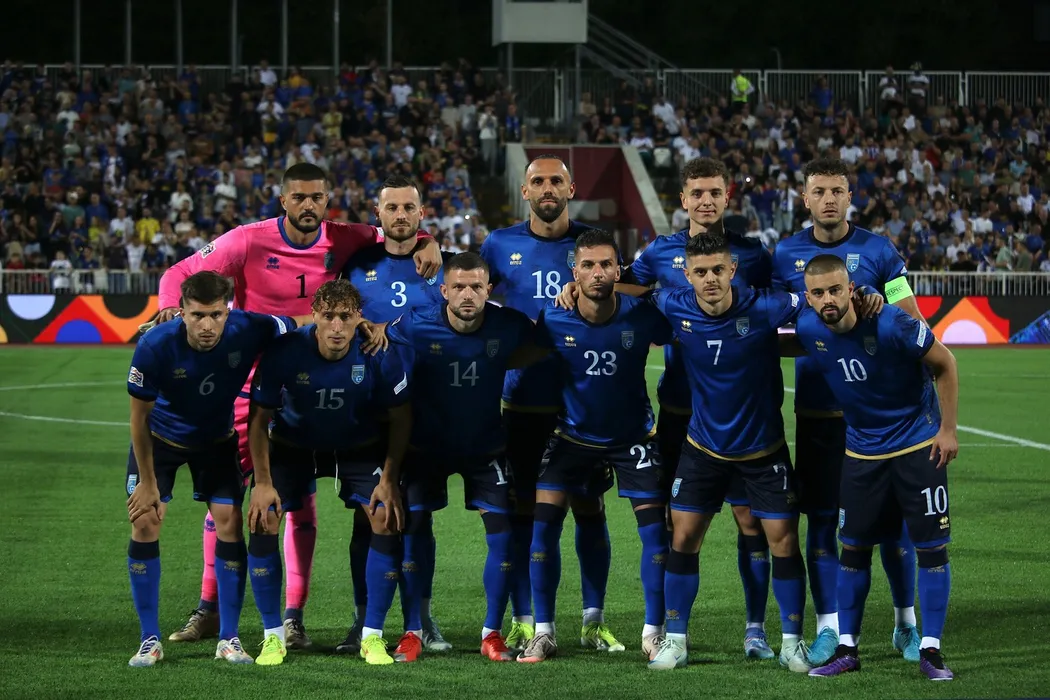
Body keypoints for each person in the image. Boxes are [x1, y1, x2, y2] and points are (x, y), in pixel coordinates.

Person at [156, 163, 441, 649]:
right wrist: (168, 305)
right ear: (283, 200)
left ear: (327, 199)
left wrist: (429, 240)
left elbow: (398, 228)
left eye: (317, 197)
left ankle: (293, 618)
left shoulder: (346, 236)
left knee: (300, 504)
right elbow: (180, 271)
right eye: (299, 197)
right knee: (229, 499)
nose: (309, 205)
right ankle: (208, 607)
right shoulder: (247, 239)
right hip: (253, 385)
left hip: (320, 383)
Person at [557, 156, 778, 658]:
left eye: (714, 192)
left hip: (744, 413)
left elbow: (789, 299)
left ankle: (755, 629)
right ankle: (670, 630)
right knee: (678, 524)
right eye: (697, 193)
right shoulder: (659, 253)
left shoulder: (752, 254)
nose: (706, 201)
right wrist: (577, 287)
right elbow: (619, 286)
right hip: (681, 409)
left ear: (727, 196)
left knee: (749, 520)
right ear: (683, 200)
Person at [772, 156, 927, 665]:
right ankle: (829, 628)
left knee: (893, 527)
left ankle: (905, 625)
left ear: (849, 196)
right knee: (821, 522)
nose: (829, 200)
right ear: (805, 199)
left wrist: (881, 305)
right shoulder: (785, 255)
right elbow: (782, 328)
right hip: (819, 412)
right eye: (819, 191)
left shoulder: (880, 251)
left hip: (881, 420)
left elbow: (911, 317)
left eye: (837, 190)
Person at [644, 231, 811, 671]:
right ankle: (675, 641)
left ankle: (792, 642)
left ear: (733, 269)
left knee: (783, 541)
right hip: (703, 448)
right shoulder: (673, 303)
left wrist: (870, 297)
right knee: (683, 538)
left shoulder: (766, 306)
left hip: (763, 450)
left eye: (719, 269)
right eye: (700, 272)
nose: (711, 279)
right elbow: (627, 299)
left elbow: (815, 301)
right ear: (687, 275)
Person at [124, 271, 299, 667]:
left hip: (216, 441)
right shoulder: (155, 344)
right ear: (181, 312)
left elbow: (297, 323)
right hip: (160, 441)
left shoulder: (249, 327)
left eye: (216, 315)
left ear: (228, 311)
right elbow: (138, 419)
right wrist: (148, 482)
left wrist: (356, 324)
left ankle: (229, 638)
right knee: (145, 521)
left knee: (230, 523)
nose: (207, 325)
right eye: (198, 315)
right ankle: (149, 639)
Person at [795, 255, 957, 681]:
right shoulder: (808, 327)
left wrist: (947, 430)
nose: (828, 300)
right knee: (852, 549)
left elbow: (945, 362)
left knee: (931, 549)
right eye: (818, 293)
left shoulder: (891, 323)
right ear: (807, 298)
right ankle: (847, 648)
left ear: (852, 289)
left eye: (836, 290)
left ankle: (931, 649)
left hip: (917, 445)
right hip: (862, 452)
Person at [516, 230, 671, 664]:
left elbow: (683, 334)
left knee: (656, 536)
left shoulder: (643, 315)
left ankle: (654, 634)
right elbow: (523, 362)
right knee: (543, 526)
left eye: (606, 264)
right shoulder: (554, 317)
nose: (597, 272)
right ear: (574, 272)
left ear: (619, 270)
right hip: (572, 437)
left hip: (633, 437)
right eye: (588, 265)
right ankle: (544, 632)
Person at [478, 155, 611, 652]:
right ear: (525, 190)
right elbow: (469, 293)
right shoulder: (499, 244)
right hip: (521, 404)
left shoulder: (592, 246)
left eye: (557, 180)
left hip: (580, 405)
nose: (548, 188)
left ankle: (593, 621)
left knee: (589, 506)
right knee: (523, 512)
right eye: (538, 181)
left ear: (571, 189)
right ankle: (523, 618)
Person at [246, 279, 411, 666]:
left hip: (356, 445)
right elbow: (259, 418)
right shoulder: (286, 350)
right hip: (293, 444)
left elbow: (402, 417)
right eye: (329, 316)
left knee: (385, 516)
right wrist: (263, 482)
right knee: (263, 518)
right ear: (315, 316)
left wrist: (389, 479)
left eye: (346, 317)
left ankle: (372, 636)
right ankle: (272, 637)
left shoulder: (378, 352)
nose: (337, 327)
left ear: (359, 319)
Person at [386, 252, 542, 662]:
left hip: (485, 448)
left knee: (503, 535)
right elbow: (382, 336)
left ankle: (492, 633)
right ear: (444, 290)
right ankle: (414, 630)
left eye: (476, 286)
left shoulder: (509, 324)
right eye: (458, 287)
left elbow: (539, 347)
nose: (467, 294)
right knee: (414, 530)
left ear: (489, 289)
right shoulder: (416, 323)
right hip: (426, 449)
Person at [341, 175, 449, 653]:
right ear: (378, 215)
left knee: (418, 518)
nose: (400, 215)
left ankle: (421, 619)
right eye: (392, 208)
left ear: (421, 214)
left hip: (426, 410)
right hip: (368, 413)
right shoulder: (356, 265)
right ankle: (363, 620)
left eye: (409, 208)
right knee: (366, 518)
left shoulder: (442, 265)